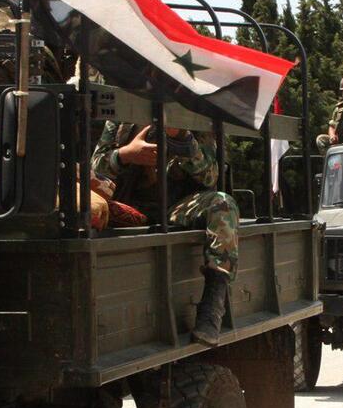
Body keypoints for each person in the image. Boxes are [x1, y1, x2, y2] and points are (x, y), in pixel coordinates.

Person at [92, 121, 239, 346]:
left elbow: (211, 176)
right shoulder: (121, 116)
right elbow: (95, 168)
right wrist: (125, 155)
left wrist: (182, 139)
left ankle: (213, 305)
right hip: (127, 205)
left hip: (176, 207)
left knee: (224, 204)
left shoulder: (191, 116)